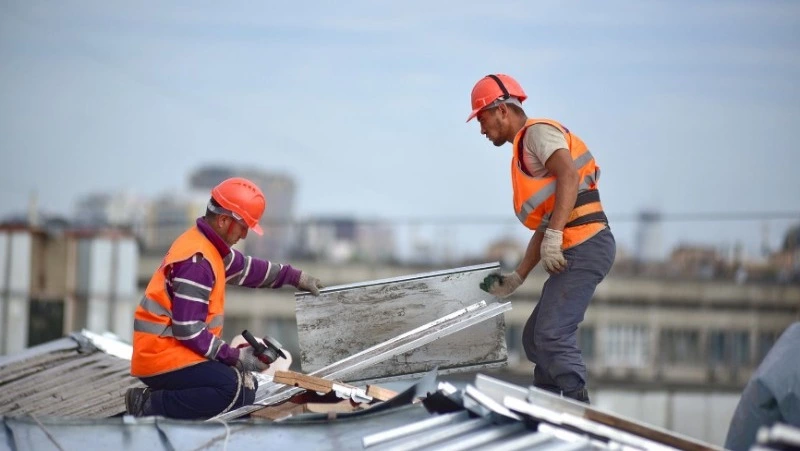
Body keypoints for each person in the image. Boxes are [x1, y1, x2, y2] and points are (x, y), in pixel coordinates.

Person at [125, 177, 325, 419]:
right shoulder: (197, 262)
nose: (244, 234)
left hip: (175, 351)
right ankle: (149, 405)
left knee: (244, 387)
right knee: (231, 389)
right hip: (161, 357)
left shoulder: (209, 248)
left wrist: (294, 276)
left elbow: (249, 269)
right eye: (243, 227)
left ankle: (163, 403)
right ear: (223, 220)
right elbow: (189, 330)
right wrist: (236, 357)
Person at [468, 74, 615, 403]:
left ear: (503, 111)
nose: (480, 128)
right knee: (535, 338)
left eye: (482, 117)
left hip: (586, 243)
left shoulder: (536, 134)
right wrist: (518, 277)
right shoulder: (524, 150)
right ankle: (548, 401)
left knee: (551, 334)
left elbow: (569, 174)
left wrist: (555, 235)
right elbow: (548, 222)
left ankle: (578, 407)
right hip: (577, 243)